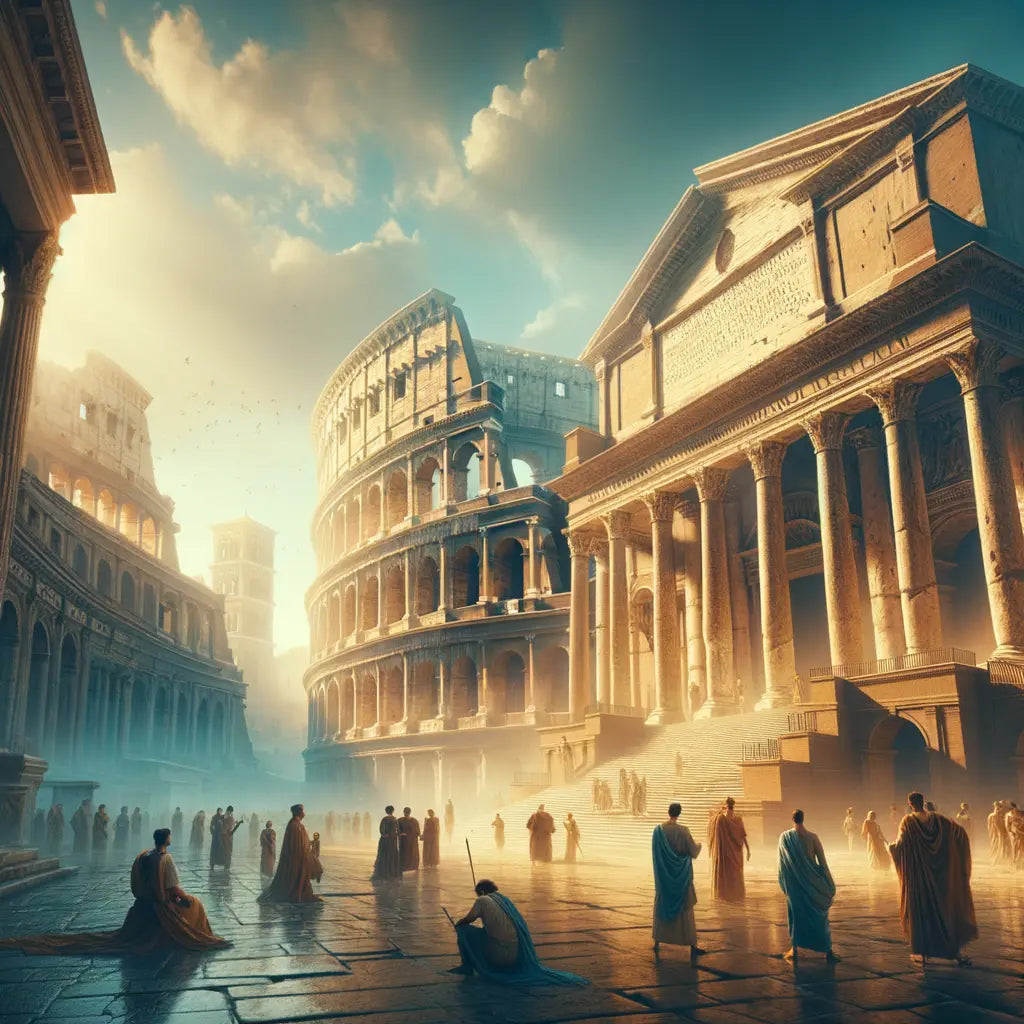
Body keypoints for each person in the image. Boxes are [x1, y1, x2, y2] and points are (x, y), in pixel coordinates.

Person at [0, 827, 229, 954]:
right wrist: (185, 898)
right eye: (169, 835)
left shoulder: (145, 855)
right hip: (161, 905)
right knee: (195, 904)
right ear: (166, 840)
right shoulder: (165, 859)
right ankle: (196, 934)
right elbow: (172, 887)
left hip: (143, 904)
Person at [889, 792, 977, 966]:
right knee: (945, 911)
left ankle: (922, 952)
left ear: (910, 804)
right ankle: (953, 950)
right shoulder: (939, 820)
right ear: (923, 802)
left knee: (922, 912)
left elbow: (900, 845)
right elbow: (959, 833)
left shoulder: (908, 821)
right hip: (940, 877)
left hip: (920, 877)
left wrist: (891, 848)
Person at [450, 879, 587, 985]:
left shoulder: (482, 900)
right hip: (516, 955)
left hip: (499, 956)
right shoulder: (504, 900)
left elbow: (468, 919)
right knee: (486, 933)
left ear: (481, 892)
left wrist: (458, 925)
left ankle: (468, 965)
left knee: (465, 931)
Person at [778, 810, 839, 964]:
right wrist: (829, 884)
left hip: (794, 886)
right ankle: (828, 952)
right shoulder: (813, 838)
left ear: (792, 819)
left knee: (796, 917)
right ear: (803, 819)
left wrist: (785, 883)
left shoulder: (785, 838)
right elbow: (823, 864)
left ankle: (795, 950)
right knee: (820, 918)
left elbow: (783, 866)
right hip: (813, 885)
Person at [651, 803, 705, 960]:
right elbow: (693, 852)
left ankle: (657, 941)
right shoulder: (683, 831)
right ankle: (691, 944)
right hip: (681, 877)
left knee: (662, 905)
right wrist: (700, 845)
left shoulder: (658, 831)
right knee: (685, 910)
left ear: (668, 812)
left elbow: (656, 856)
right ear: (679, 813)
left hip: (664, 878)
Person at [259, 804, 321, 903]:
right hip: (297, 857)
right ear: (298, 812)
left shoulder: (295, 824)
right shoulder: (295, 825)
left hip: (299, 855)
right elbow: (296, 844)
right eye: (302, 811)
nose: (304, 813)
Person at [709, 797, 749, 902]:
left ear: (726, 805)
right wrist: (748, 850)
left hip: (725, 853)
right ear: (733, 806)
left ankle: (725, 896)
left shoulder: (721, 819)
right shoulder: (738, 819)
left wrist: (720, 810)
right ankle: (737, 896)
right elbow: (743, 836)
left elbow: (711, 820)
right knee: (736, 874)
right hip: (736, 853)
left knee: (726, 874)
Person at [371, 806, 401, 882]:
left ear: (386, 811)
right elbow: (398, 831)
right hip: (393, 840)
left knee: (384, 854)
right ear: (393, 811)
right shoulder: (395, 819)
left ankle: (384, 872)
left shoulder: (385, 819)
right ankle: (392, 871)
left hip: (385, 840)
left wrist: (384, 834)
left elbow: (381, 829)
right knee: (392, 854)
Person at [398, 807, 421, 872]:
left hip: (411, 841)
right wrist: (401, 834)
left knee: (411, 853)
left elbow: (417, 832)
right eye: (405, 813)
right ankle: (405, 867)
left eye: (407, 813)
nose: (406, 814)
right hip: (404, 841)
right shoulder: (400, 820)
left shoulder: (414, 821)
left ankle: (411, 867)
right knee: (405, 854)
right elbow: (397, 829)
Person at [1006, 802, 1024, 868]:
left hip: (1021, 833)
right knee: (1015, 848)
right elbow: (1008, 826)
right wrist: (1011, 833)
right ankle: (1016, 863)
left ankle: (1020, 863)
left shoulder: (1022, 813)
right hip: (1016, 834)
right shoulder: (1009, 815)